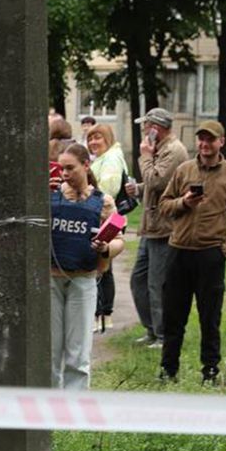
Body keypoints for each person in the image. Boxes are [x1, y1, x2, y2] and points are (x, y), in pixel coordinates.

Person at [157, 120, 226, 383]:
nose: (205, 144)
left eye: (210, 139)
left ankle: (210, 370)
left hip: (210, 254)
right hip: (178, 252)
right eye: (201, 139)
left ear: (221, 142)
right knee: (173, 316)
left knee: (210, 317)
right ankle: (168, 369)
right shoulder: (184, 170)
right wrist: (184, 202)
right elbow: (163, 204)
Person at [50, 144, 124, 390]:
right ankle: (48, 404)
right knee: (50, 352)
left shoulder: (103, 201)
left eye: (70, 168)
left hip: (83, 280)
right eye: (62, 168)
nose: (65, 173)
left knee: (78, 353)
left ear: (86, 165)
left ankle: (74, 406)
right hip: (51, 280)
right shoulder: (51, 196)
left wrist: (105, 248)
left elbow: (120, 239)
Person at [125, 107, 190, 348]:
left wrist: (144, 156)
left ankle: (164, 335)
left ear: (155, 128)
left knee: (158, 283)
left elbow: (157, 180)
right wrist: (139, 189)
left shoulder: (174, 150)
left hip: (164, 227)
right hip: (151, 227)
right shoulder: (160, 148)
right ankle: (152, 329)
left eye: (146, 126)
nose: (143, 130)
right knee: (138, 280)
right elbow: (155, 184)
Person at [87, 123, 129, 332]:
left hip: (105, 218)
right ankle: (103, 314)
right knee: (104, 267)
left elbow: (108, 189)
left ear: (108, 139)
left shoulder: (111, 159)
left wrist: (87, 197)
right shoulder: (104, 158)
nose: (93, 142)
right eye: (90, 138)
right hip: (105, 217)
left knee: (103, 267)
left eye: (98, 137)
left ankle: (103, 314)